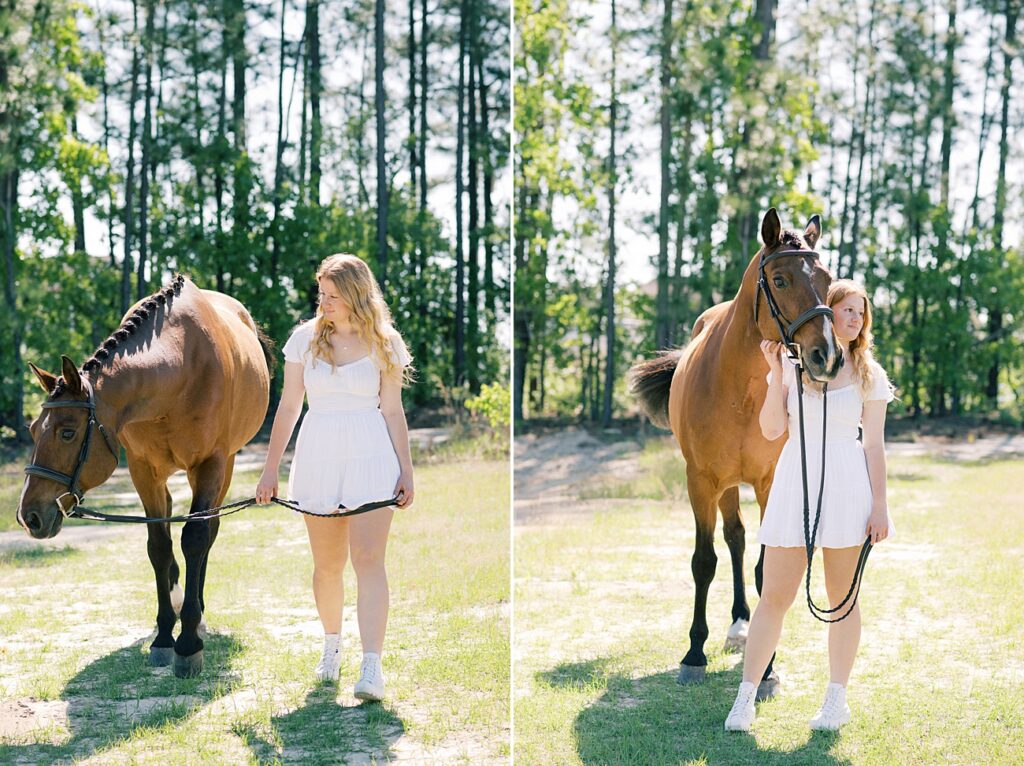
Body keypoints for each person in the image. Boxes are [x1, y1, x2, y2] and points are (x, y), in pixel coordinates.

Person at [725, 279, 895, 732]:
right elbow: (771, 429)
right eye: (847, 310)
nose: (855, 318)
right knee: (773, 598)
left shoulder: (868, 374)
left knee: (843, 600)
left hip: (847, 483)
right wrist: (777, 373)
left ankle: (835, 700)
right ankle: (744, 699)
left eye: (862, 311)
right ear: (827, 312)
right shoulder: (792, 364)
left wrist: (880, 505)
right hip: (795, 480)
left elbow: (874, 446)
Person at [256, 253, 415, 701]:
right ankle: (331, 648)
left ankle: (372, 668)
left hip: (370, 455)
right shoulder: (303, 341)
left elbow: (392, 409)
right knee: (327, 565)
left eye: (331, 294)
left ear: (355, 295)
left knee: (369, 560)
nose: (322, 301)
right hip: (319, 452)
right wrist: (270, 469)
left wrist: (406, 470)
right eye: (320, 293)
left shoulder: (385, 342)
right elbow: (288, 408)